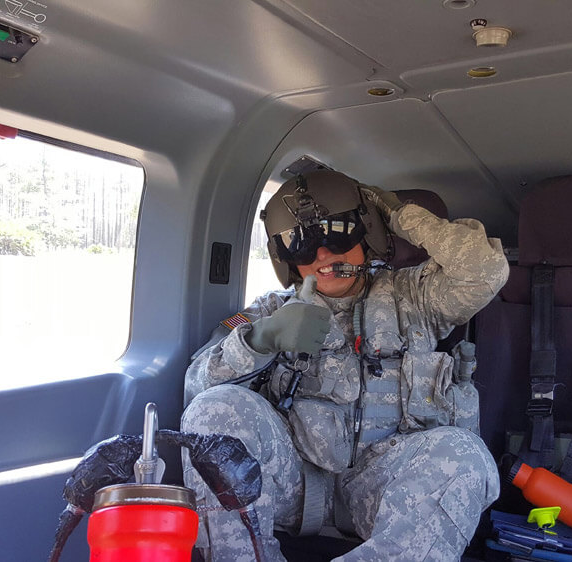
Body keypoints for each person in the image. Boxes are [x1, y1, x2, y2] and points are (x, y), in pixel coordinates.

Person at [181, 170, 509, 561]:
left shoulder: (416, 296)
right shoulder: (270, 310)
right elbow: (196, 391)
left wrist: (399, 215)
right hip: (296, 484)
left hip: (390, 488)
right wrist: (261, 339)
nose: (322, 255)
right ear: (284, 258)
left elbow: (485, 270)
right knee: (215, 408)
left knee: (465, 455)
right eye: (299, 245)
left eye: (337, 233)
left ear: (366, 232)